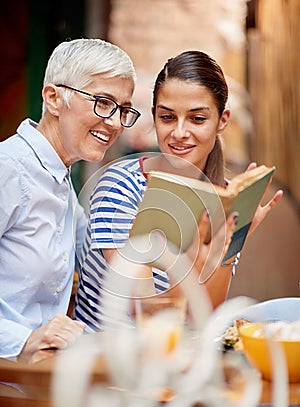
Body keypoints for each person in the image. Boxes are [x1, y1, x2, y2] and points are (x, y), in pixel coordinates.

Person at [75, 50, 283, 332]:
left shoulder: (220, 199)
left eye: (197, 119)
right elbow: (149, 315)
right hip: (104, 364)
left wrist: (231, 244)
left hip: (171, 363)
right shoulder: (121, 187)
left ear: (222, 120)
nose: (179, 132)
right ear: (154, 117)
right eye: (168, 117)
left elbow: (202, 320)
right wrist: (191, 267)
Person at [0, 38, 141, 361]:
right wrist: (24, 339)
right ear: (53, 98)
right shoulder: (8, 169)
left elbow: (106, 268)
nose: (116, 122)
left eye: (123, 109)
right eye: (103, 102)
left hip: (42, 381)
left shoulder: (61, 179)